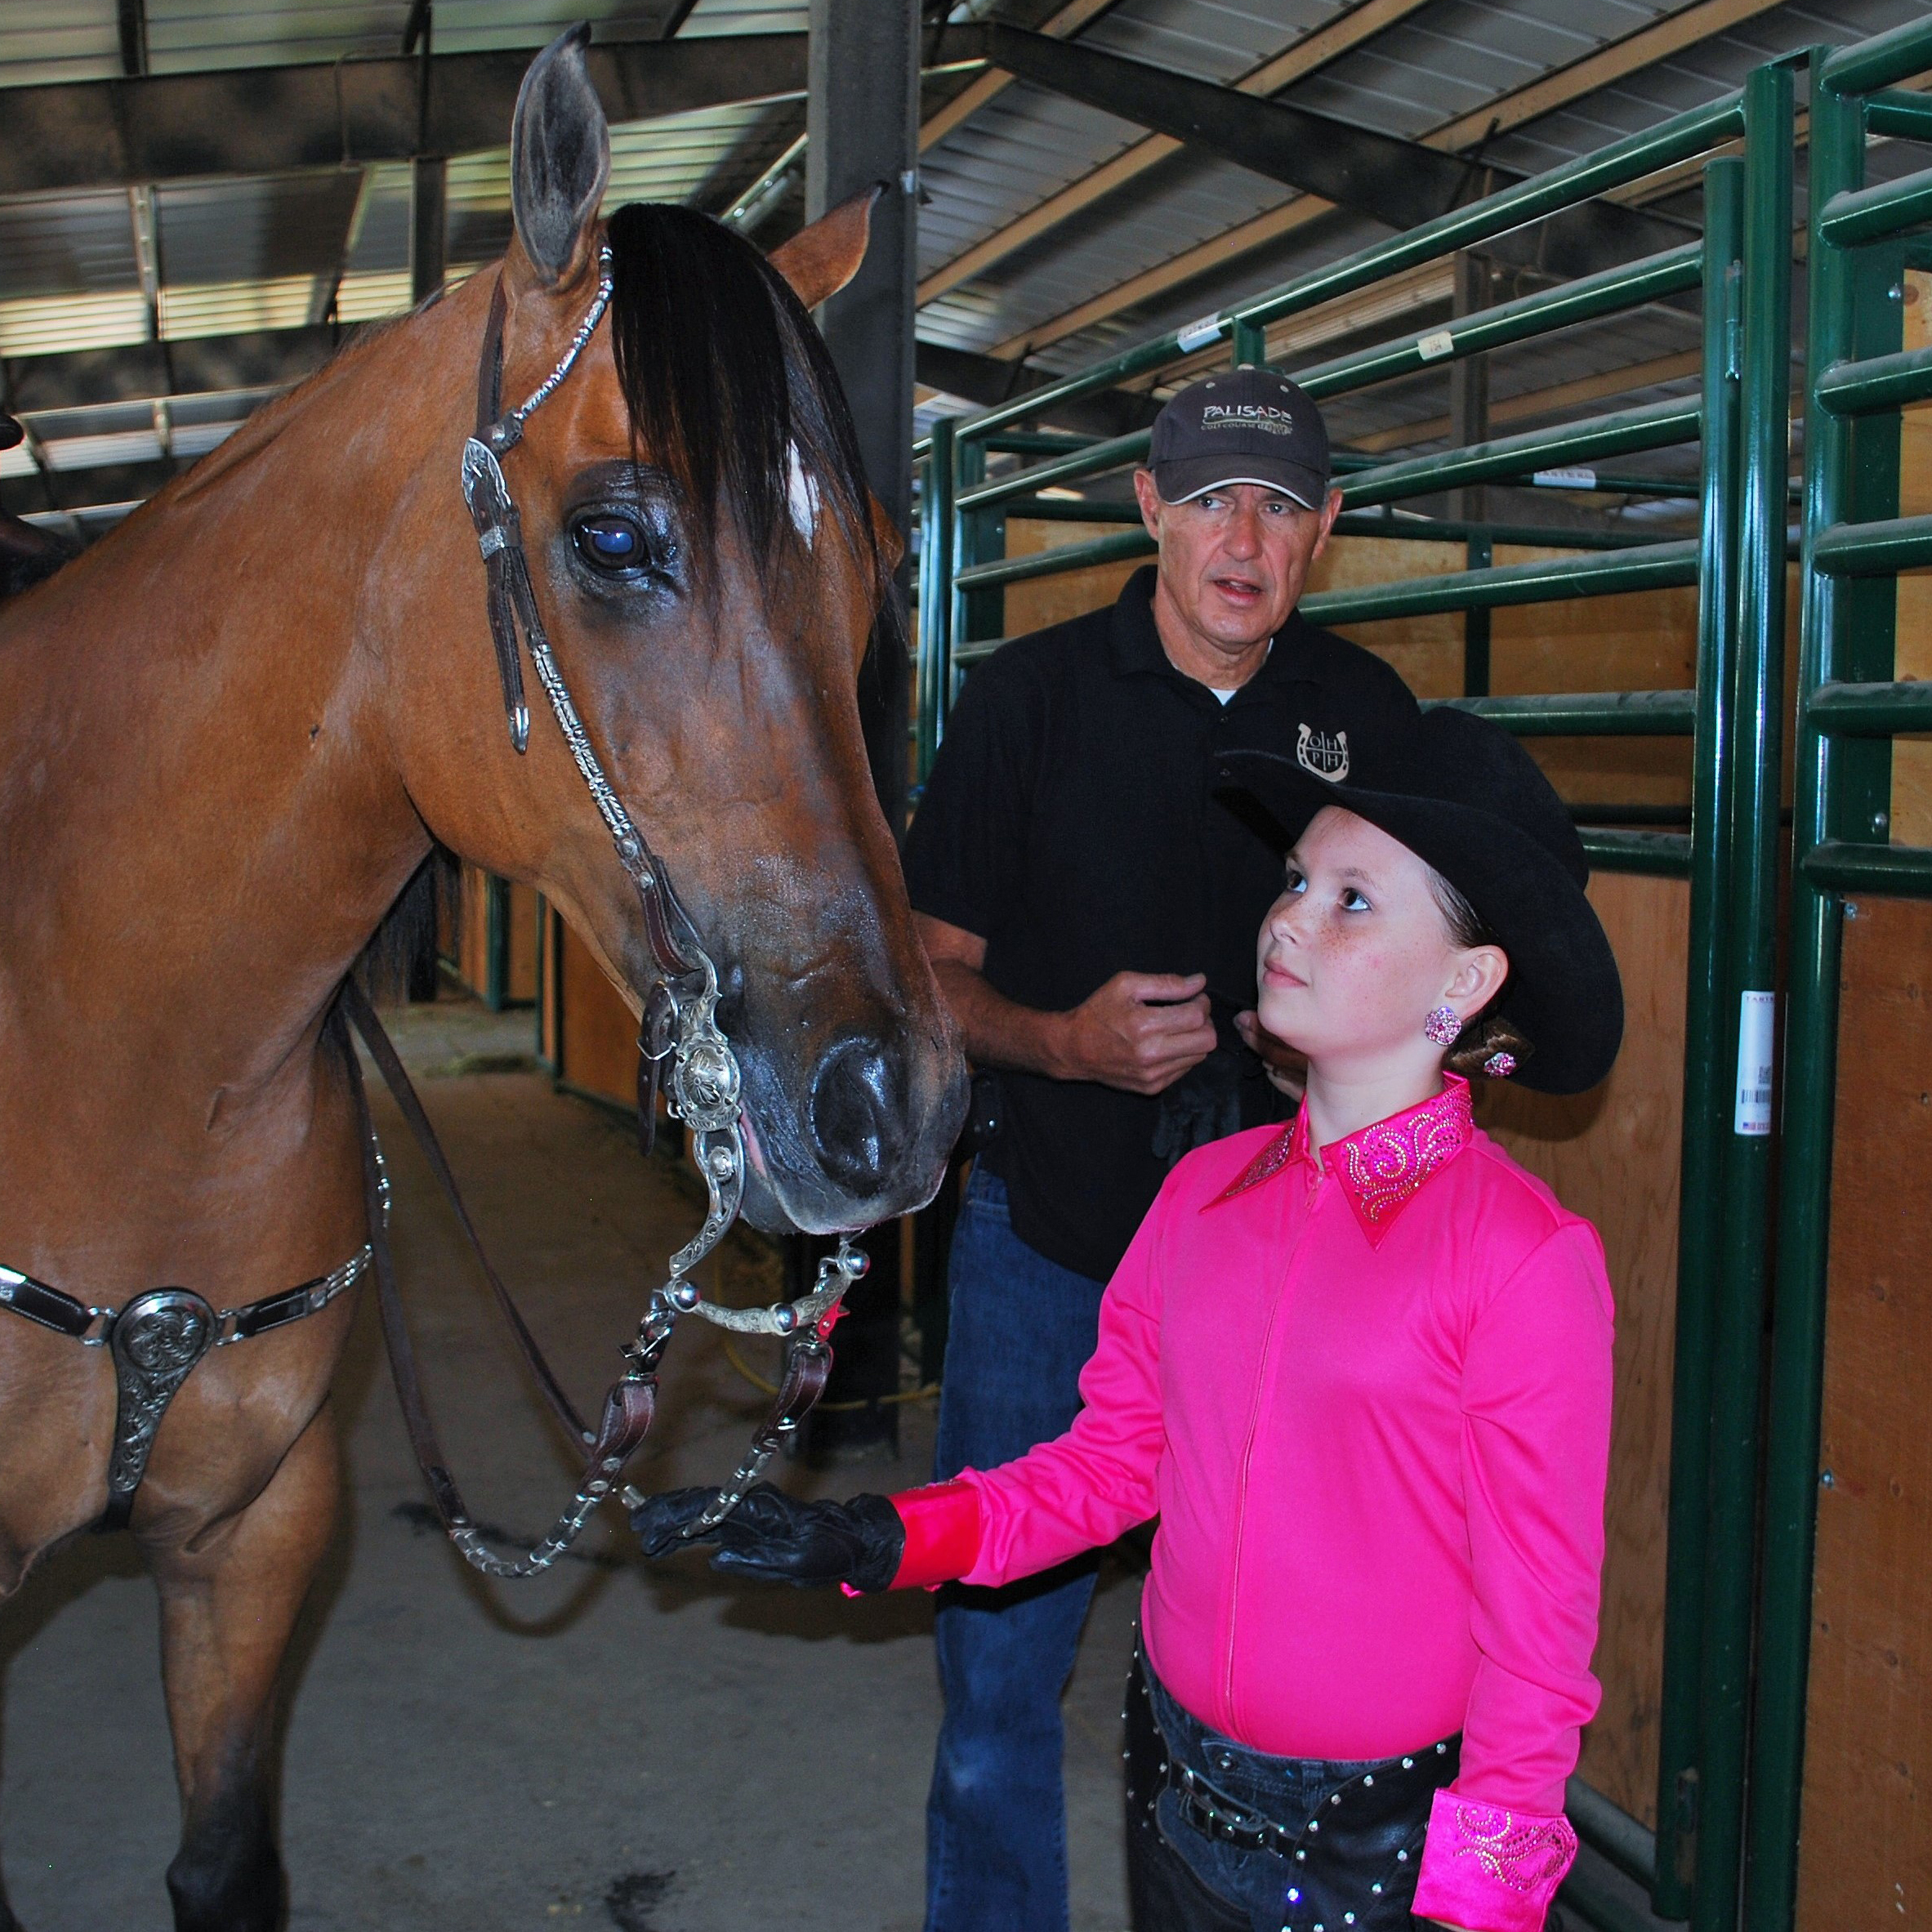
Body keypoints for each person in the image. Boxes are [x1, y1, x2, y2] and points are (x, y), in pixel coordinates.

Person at [637, 704, 1625, 1932]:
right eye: (1294, 880)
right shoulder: (1203, 1192)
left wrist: (1481, 1908)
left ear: (1464, 983)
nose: (1288, 918)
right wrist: (875, 1539)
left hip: (1383, 1843)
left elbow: (1538, 1639)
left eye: (1352, 899)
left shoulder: (1523, 1257)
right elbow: (1108, 1464)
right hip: (1173, 1785)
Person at [890, 367, 1421, 1931]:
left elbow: (1441, 960)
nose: (1238, 537)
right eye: (1205, 501)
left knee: (1283, 1669)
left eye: (1275, 504)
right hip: (1052, 1240)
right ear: (1146, 510)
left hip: (1299, 1281)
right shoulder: (1028, 699)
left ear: (1322, 528)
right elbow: (926, 966)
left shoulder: (1367, 715)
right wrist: (1064, 1042)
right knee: (999, 1671)